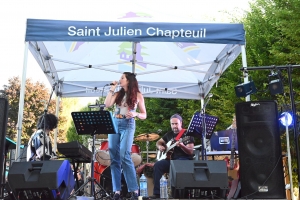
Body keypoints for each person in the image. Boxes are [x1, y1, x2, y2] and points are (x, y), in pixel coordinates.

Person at [104, 72, 147, 200]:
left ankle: (134, 190)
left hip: (128, 124)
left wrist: (136, 114)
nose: (120, 79)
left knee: (124, 154)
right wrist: (112, 88)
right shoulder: (118, 94)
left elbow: (144, 115)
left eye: (122, 78)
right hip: (115, 123)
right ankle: (116, 191)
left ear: (129, 80)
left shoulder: (138, 95)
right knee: (114, 156)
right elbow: (107, 104)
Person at [150, 114, 194, 199]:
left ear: (181, 123)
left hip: (184, 160)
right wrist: (160, 146)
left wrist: (182, 146)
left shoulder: (187, 134)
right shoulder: (169, 134)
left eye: (176, 124)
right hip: (171, 160)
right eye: (172, 124)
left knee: (176, 165)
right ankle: (157, 194)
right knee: (158, 165)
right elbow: (158, 142)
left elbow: (190, 151)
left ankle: (179, 195)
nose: (174, 126)